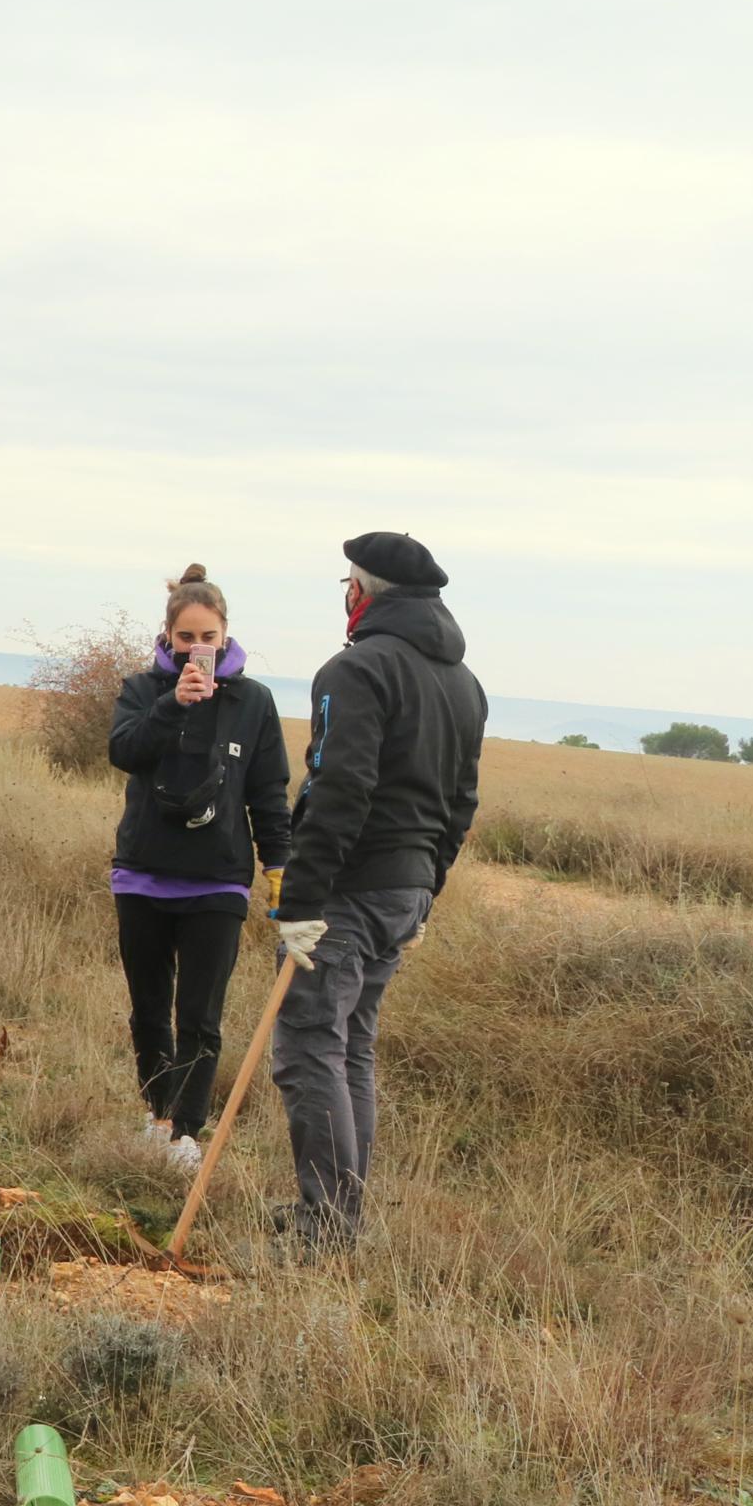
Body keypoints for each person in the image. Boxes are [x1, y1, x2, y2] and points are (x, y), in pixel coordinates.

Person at [265, 533, 486, 1249]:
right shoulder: (465, 683)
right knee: (352, 1048)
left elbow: (340, 788)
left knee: (309, 1049)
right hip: (406, 889)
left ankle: (326, 1231)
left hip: (349, 892)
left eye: (346, 585)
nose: (346, 596)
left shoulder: (356, 671)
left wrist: (300, 902)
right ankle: (338, 1218)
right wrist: (427, 893)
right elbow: (461, 804)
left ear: (362, 593)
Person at [105, 566, 291, 1179]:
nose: (197, 649)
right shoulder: (141, 689)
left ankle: (185, 1130)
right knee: (149, 1008)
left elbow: (268, 791)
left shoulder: (254, 702)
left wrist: (279, 865)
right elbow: (123, 751)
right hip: (143, 874)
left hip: (217, 880)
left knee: (201, 1016)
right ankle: (157, 1115)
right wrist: (171, 703)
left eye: (207, 636)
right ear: (167, 636)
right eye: (185, 638)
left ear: (227, 633)